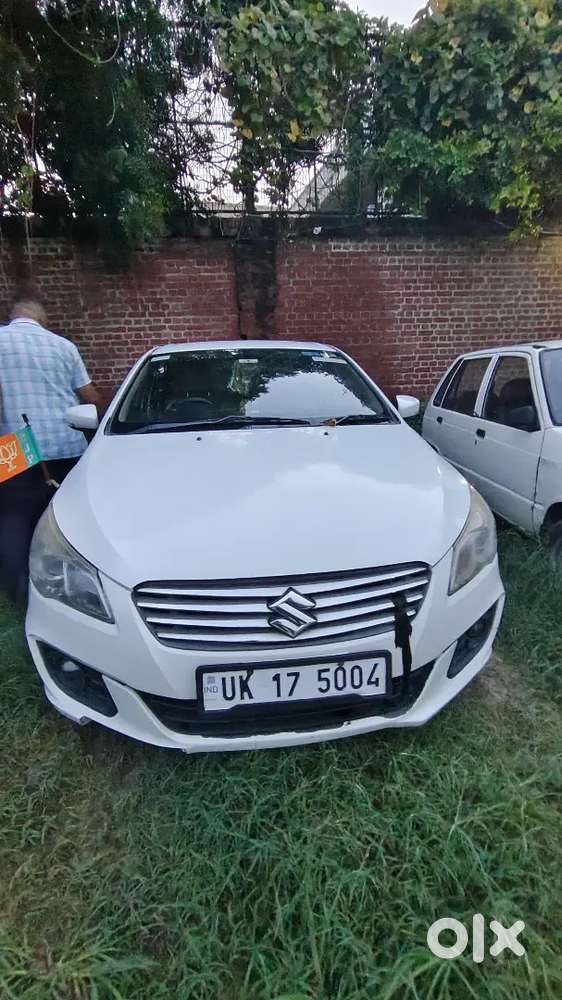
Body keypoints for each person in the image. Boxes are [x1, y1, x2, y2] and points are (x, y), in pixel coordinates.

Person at [0, 299, 104, 601]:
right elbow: (89, 396)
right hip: (66, 439)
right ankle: (79, 587)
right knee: (69, 513)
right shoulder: (63, 346)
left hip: (14, 444)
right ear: (42, 320)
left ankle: (20, 590)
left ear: (13, 317)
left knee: (12, 515)